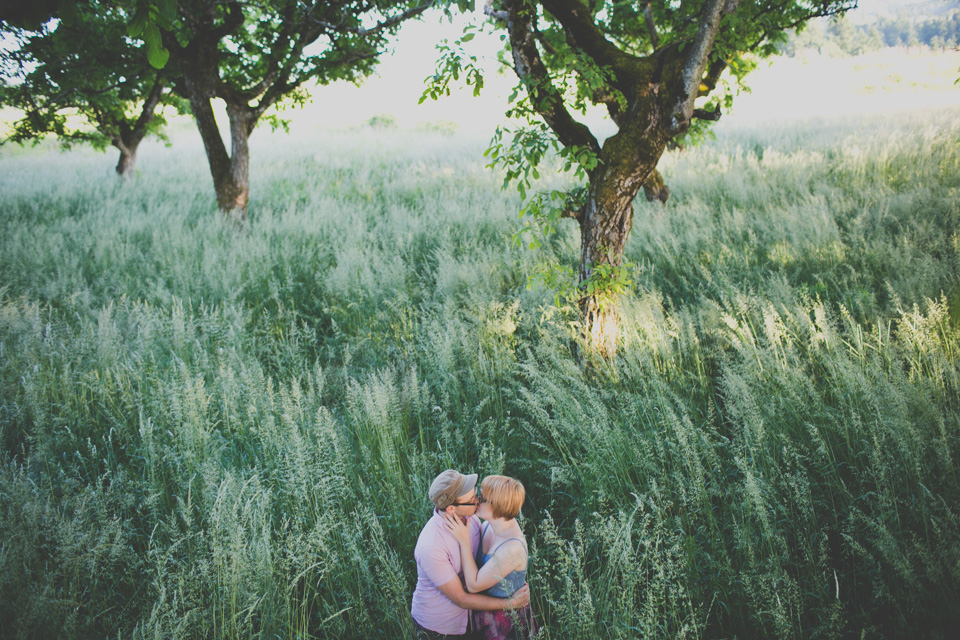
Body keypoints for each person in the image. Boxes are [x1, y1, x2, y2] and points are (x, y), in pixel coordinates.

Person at [412, 469, 531, 639]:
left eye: (479, 497)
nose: (476, 501)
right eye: (472, 499)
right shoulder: (431, 546)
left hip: (483, 619)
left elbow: (506, 561)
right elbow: (462, 597)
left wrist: (516, 582)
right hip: (441, 627)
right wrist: (510, 603)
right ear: (452, 508)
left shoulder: (473, 519)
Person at [443, 475, 537, 640]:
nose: (477, 500)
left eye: (483, 498)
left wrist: (464, 541)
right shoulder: (488, 525)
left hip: (506, 623)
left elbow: (474, 585)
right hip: (484, 612)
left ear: (498, 506)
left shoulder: (512, 548)